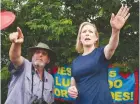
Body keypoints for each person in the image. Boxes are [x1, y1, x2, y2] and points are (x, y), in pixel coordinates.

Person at [68, 5, 130, 104]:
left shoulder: (101, 53)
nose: (87, 34)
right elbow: (73, 85)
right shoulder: (75, 62)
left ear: (96, 38)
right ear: (80, 38)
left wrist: (115, 30)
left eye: (90, 32)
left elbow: (112, 46)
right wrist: (71, 90)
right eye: (84, 32)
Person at [5, 27, 56, 104]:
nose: (40, 55)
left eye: (44, 53)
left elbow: (50, 101)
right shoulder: (24, 66)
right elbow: (15, 57)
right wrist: (16, 43)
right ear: (32, 56)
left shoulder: (50, 78)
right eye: (37, 52)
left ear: (48, 60)